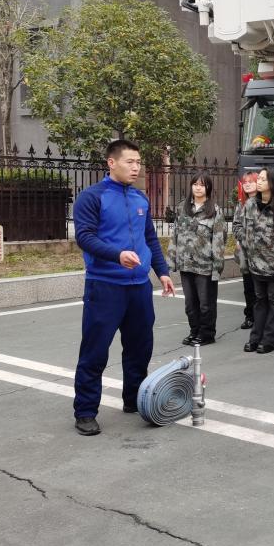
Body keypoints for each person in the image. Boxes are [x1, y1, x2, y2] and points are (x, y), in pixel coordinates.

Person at [72, 138, 175, 436]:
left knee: (140, 348)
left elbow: (150, 238)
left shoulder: (140, 198)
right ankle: (85, 411)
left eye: (138, 162)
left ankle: (134, 399)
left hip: (139, 286)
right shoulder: (92, 197)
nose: (136, 167)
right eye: (130, 162)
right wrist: (116, 255)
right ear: (111, 162)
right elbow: (85, 237)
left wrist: (162, 272)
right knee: (95, 351)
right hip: (105, 286)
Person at [235, 168, 274, 354]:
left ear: (272, 183)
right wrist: (246, 243)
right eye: (258, 179)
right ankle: (256, 337)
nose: (258, 182)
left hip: (273, 265)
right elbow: (240, 227)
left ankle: (270, 340)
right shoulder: (250, 204)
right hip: (254, 263)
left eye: (263, 179)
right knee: (259, 300)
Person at [168, 173, 226, 346]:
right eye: (195, 184)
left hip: (205, 265)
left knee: (205, 304)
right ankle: (194, 331)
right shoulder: (182, 207)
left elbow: (219, 240)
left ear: (208, 187)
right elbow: (175, 235)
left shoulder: (215, 210)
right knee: (190, 303)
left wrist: (217, 267)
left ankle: (206, 334)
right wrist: (172, 260)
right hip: (186, 264)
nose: (198, 188)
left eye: (202, 185)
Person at [233, 170, 259, 330]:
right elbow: (236, 225)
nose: (247, 184)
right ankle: (250, 316)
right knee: (248, 286)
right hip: (245, 251)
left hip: (262, 252)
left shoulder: (263, 202)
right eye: (245, 182)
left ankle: (262, 317)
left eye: (251, 181)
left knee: (261, 287)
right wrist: (243, 238)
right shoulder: (241, 204)